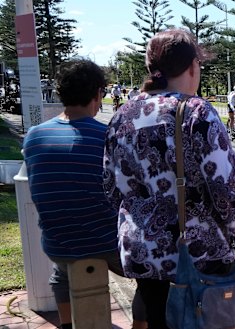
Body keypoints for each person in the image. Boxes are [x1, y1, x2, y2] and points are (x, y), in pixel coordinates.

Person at [103, 29, 235, 329]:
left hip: (143, 256)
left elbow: (112, 191)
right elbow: (227, 193)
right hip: (198, 258)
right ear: (192, 66)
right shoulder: (195, 112)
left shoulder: (122, 116)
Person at [22, 59, 146, 329]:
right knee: (152, 276)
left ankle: (67, 325)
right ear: (98, 94)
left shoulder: (33, 136)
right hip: (106, 244)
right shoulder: (110, 136)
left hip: (57, 244)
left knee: (61, 272)